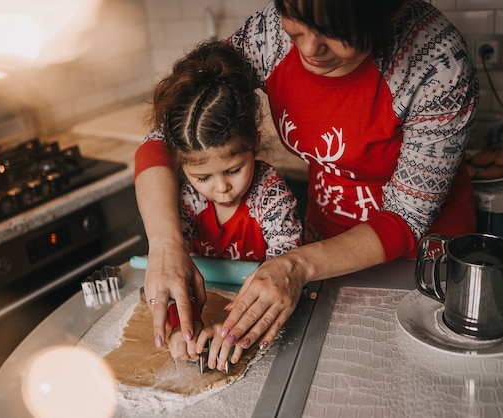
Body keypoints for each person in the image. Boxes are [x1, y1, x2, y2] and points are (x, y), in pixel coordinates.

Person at [134, 0, 479, 370]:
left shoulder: (436, 62)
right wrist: (166, 244)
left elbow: (404, 219)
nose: (310, 47)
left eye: (335, 33)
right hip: (321, 249)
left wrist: (295, 267)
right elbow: (168, 130)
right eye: (296, 21)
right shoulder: (271, 35)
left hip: (419, 266)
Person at [138, 40, 303, 366]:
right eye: (203, 178)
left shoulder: (271, 197)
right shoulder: (183, 199)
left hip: (256, 315)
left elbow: (281, 278)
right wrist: (179, 328)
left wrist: (230, 331)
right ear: (180, 166)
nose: (222, 188)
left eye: (234, 169)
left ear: (254, 143)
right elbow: (172, 276)